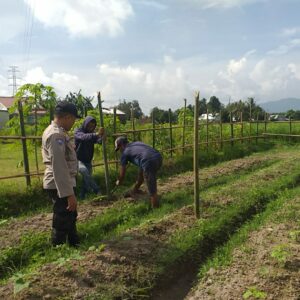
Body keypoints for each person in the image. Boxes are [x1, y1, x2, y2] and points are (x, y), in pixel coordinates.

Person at [42, 101, 80, 246]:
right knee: (63, 217)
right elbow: (59, 167)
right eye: (74, 119)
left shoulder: (59, 132)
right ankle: (58, 250)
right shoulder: (55, 135)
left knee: (70, 215)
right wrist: (69, 194)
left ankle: (74, 243)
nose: (73, 123)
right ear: (68, 117)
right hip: (60, 184)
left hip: (64, 183)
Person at [115, 137, 162, 208]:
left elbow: (122, 172)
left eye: (119, 149)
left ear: (120, 145)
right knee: (142, 175)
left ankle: (155, 207)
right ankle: (135, 190)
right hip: (158, 157)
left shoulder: (125, 152)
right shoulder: (136, 143)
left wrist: (119, 181)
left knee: (151, 185)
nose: (120, 151)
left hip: (148, 161)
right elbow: (143, 153)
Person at [74, 116, 105, 199]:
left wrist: (101, 138)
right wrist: (96, 134)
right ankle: (97, 190)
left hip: (88, 160)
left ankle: (82, 197)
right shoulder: (78, 131)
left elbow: (98, 141)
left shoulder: (92, 134)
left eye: (93, 126)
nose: (91, 128)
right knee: (84, 171)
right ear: (85, 124)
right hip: (78, 159)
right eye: (89, 125)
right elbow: (83, 137)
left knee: (86, 181)